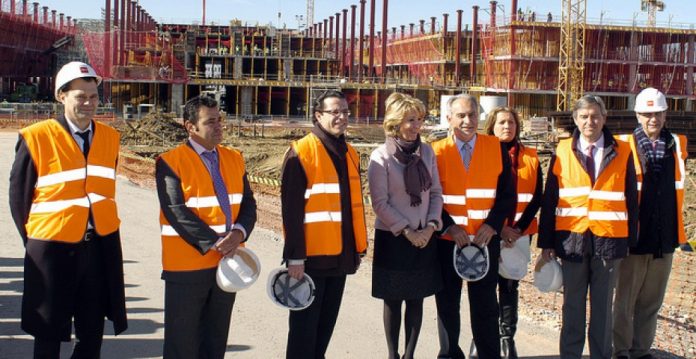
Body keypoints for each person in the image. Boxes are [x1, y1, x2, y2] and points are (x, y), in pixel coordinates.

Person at [9, 61, 127, 357]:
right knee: (48, 332)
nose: (89, 103)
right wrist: (37, 239)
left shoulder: (110, 139)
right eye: (81, 96)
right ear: (61, 96)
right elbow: (19, 198)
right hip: (52, 248)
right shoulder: (36, 137)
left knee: (92, 333)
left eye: (94, 96)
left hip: (99, 246)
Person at [156, 95, 257, 358]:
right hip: (187, 268)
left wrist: (238, 233)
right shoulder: (170, 161)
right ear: (191, 126)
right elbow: (176, 211)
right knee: (183, 345)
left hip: (227, 267)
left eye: (219, 119)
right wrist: (215, 242)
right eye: (210, 121)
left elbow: (248, 204)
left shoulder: (235, 158)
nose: (218, 125)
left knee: (215, 343)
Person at [538, 95, 639, 358]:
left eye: (595, 116)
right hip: (572, 239)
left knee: (603, 308)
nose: (589, 121)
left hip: (609, 240)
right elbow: (550, 200)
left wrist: (631, 241)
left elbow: (631, 198)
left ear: (604, 118)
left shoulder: (623, 151)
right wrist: (546, 242)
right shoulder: (562, 151)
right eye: (584, 116)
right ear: (575, 120)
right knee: (572, 305)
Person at [280, 90, 368, 359]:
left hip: (340, 256)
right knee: (304, 331)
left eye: (344, 111)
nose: (341, 117)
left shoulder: (349, 152)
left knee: (324, 329)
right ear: (318, 116)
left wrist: (357, 247)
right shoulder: (302, 152)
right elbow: (291, 212)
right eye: (334, 112)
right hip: (311, 260)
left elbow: (351, 207)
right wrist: (295, 257)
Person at [432, 94, 515, 359]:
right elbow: (430, 196)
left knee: (485, 305)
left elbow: (507, 195)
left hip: (483, 241)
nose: (467, 121)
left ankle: (488, 354)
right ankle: (449, 354)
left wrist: (492, 225)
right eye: (460, 116)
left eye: (471, 115)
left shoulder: (495, 147)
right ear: (449, 118)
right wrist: (448, 226)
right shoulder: (435, 151)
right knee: (447, 304)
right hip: (448, 242)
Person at [613, 88, 688, 359]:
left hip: (664, 236)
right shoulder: (623, 146)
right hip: (634, 236)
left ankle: (641, 350)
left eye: (657, 113)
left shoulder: (677, 144)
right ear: (637, 115)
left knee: (651, 301)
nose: (652, 119)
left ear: (665, 114)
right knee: (624, 300)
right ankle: (620, 350)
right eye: (646, 114)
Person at [367, 92, 444, 359]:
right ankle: (393, 354)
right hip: (394, 237)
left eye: (419, 119)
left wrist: (431, 227)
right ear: (396, 123)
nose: (417, 126)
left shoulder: (427, 151)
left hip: (425, 235)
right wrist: (408, 231)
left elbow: (435, 192)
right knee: (393, 299)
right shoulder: (381, 157)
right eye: (410, 120)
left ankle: (410, 355)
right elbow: (379, 203)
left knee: (417, 298)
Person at [483, 107, 543, 359]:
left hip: (518, 234)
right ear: (491, 127)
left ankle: (507, 338)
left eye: (511, 122)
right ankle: (483, 337)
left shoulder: (531, 157)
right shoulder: (481, 156)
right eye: (501, 123)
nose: (507, 127)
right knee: (484, 288)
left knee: (509, 285)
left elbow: (537, 196)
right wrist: (499, 228)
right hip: (487, 232)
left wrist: (517, 230)